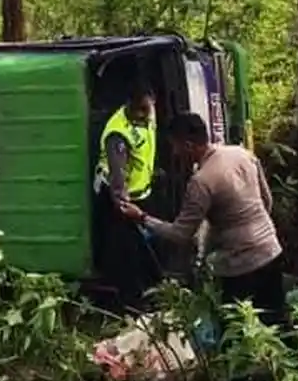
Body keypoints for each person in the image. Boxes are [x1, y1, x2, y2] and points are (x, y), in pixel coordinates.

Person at [118, 113, 285, 330]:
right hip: (271, 250)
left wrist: (142, 217)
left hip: (241, 266)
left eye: (176, 147)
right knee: (278, 322)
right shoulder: (242, 154)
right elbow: (267, 202)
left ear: (188, 145)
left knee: (236, 331)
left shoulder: (201, 181)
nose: (175, 154)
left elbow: (181, 234)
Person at [93, 81, 160, 307]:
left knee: (143, 248)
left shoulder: (148, 114)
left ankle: (148, 291)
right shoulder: (118, 133)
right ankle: (132, 304)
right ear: (129, 104)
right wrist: (124, 207)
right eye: (139, 109)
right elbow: (117, 177)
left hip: (143, 192)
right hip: (121, 198)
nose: (143, 113)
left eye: (147, 108)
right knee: (127, 252)